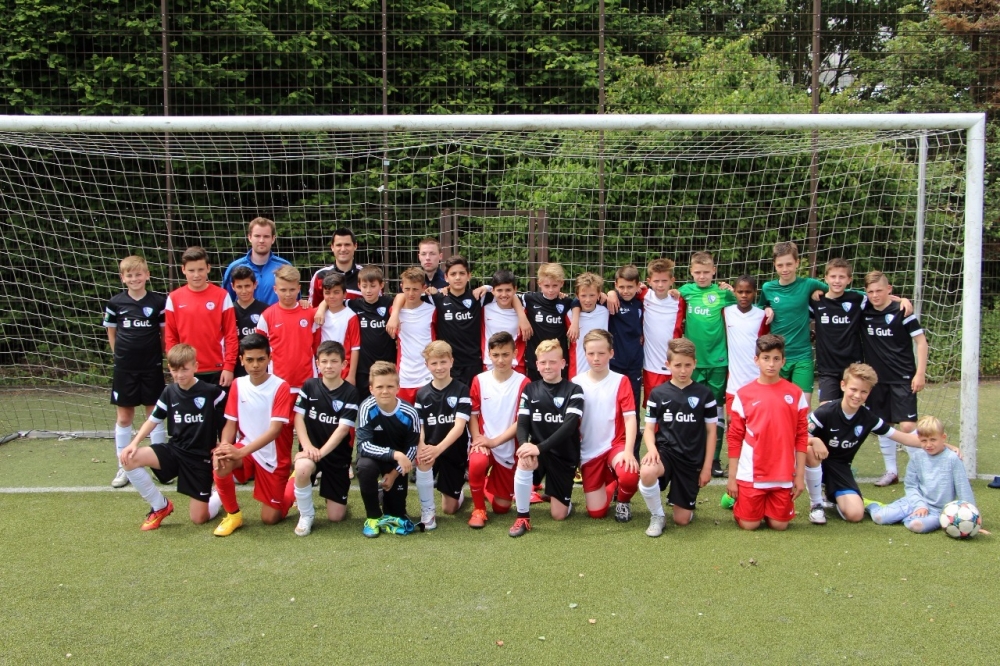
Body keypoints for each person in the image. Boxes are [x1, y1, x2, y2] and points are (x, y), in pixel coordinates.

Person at [118, 344, 226, 530]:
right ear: (169, 368)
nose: (180, 375)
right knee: (129, 459)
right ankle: (160, 506)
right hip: (175, 451)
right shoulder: (169, 392)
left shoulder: (212, 392)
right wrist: (134, 443)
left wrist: (223, 445)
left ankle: (218, 495)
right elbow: (153, 420)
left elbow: (228, 421)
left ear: (195, 366)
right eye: (175, 370)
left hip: (200, 459)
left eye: (184, 369)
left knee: (199, 519)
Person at [804, 363, 922, 525]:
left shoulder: (868, 418)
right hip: (814, 461)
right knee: (810, 450)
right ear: (843, 385)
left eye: (863, 391)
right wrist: (814, 440)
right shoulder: (824, 412)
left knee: (855, 515)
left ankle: (831, 494)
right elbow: (796, 438)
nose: (857, 395)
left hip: (840, 468)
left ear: (869, 393)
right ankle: (816, 505)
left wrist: (942, 446)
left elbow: (903, 437)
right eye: (853, 389)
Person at [211, 334, 295, 536]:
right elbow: (230, 423)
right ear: (241, 360)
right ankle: (233, 515)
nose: (255, 365)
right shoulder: (238, 384)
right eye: (249, 360)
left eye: (260, 359)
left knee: (270, 519)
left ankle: (295, 483)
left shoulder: (280, 386)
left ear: (269, 358)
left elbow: (275, 430)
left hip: (273, 457)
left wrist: (240, 452)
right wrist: (224, 447)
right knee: (221, 462)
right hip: (247, 448)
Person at [726, 334, 809, 532]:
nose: (771, 364)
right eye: (766, 358)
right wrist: (732, 478)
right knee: (749, 525)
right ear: (756, 360)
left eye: (776, 358)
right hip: (751, 473)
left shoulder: (795, 393)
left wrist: (799, 476)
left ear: (783, 361)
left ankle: (762, 506)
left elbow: (801, 435)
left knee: (779, 525)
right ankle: (740, 503)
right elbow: (735, 437)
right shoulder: (744, 394)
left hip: (783, 473)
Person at [638, 338, 718, 536]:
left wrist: (707, 467)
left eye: (688, 365)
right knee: (647, 471)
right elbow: (649, 428)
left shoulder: (705, 395)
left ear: (695, 364)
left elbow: (711, 432)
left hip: (691, 459)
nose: (683, 371)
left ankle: (681, 501)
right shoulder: (657, 394)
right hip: (666, 453)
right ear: (668, 365)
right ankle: (657, 515)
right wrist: (652, 449)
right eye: (678, 365)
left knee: (682, 520)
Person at [509, 339, 585, 537]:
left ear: (563, 363)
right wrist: (524, 445)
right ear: (537, 365)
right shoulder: (530, 389)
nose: (548, 366)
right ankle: (522, 517)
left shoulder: (574, 390)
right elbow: (522, 423)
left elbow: (569, 427)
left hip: (563, 455)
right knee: (524, 459)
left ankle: (563, 500)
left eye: (552, 362)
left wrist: (538, 447)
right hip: (538, 453)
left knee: (558, 515)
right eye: (543, 362)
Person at [103, 255, 166, 489]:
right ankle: (124, 465)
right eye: (129, 275)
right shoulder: (115, 303)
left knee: (154, 415)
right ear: (122, 278)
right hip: (125, 369)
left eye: (139, 274)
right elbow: (112, 333)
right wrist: (119, 356)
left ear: (147, 275)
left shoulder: (158, 302)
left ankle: (160, 464)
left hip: (151, 367)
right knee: (124, 417)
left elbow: (163, 334)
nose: (134, 278)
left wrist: (159, 356)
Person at [862, 270, 928, 487]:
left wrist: (920, 373)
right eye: (870, 291)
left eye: (879, 290)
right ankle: (891, 471)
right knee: (883, 425)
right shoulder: (863, 310)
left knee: (908, 426)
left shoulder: (902, 311)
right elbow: (842, 292)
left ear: (889, 289)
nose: (875, 295)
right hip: (877, 380)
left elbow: (921, 342)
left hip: (903, 377)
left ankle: (921, 471)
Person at [291, 341, 360, 536]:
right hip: (310, 452)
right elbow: (298, 418)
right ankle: (306, 514)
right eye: (324, 361)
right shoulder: (310, 385)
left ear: (344, 364)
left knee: (336, 517)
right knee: (302, 468)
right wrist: (307, 447)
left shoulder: (351, 392)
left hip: (336, 456)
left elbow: (343, 429)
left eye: (334, 361)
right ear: (317, 363)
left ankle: (326, 493)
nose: (329, 366)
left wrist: (320, 453)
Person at [676, 251, 735, 477]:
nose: (702, 276)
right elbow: (664, 295)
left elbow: (744, 303)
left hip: (718, 361)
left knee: (716, 409)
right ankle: (693, 455)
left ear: (714, 271)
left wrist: (731, 290)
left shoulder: (722, 293)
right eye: (698, 272)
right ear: (691, 272)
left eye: (706, 272)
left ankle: (715, 458)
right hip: (693, 363)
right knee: (693, 409)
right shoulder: (685, 291)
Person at [571, 330, 639, 521]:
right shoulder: (576, 383)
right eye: (591, 353)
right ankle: (612, 484)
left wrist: (629, 451)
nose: (596, 358)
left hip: (614, 445)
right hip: (589, 451)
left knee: (629, 474)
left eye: (601, 353)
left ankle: (623, 501)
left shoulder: (621, 381)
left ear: (611, 353)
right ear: (585, 354)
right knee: (596, 513)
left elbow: (630, 419)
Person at [867, 416, 975, 533]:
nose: (928, 444)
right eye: (924, 440)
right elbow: (911, 486)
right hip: (913, 503)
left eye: (933, 440)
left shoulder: (953, 458)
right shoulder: (917, 457)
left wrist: (971, 518)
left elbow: (963, 488)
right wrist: (920, 506)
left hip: (937, 511)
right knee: (878, 518)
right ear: (918, 439)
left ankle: (908, 518)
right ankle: (872, 505)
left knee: (916, 526)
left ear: (943, 437)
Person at [468, 332, 531, 528]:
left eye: (505, 354)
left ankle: (487, 486)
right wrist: (478, 439)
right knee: (477, 462)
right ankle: (478, 509)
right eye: (495, 355)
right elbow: (473, 414)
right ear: (489, 354)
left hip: (507, 448)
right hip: (484, 443)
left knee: (501, 508)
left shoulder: (523, 382)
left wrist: (494, 442)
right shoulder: (479, 380)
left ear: (515, 353)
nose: (500, 360)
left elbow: (521, 421)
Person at [355, 361, 422, 538]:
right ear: (371, 389)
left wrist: (394, 474)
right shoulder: (366, 408)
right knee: (365, 467)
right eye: (379, 387)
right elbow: (364, 446)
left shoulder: (410, 412)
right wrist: (395, 454)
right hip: (373, 458)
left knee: (396, 514)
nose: (385, 391)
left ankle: (384, 495)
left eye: (390, 386)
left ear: (398, 387)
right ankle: (372, 517)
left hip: (396, 465)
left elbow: (412, 448)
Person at [758, 241, 827, 405]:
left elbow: (837, 291)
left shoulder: (808, 284)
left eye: (789, 264)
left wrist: (820, 291)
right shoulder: (768, 288)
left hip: (802, 356)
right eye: (780, 265)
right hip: (777, 357)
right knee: (777, 407)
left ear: (797, 262)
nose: (785, 269)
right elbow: (758, 308)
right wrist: (766, 307)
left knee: (802, 407)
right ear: (774, 265)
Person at [414, 341, 472, 530]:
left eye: (443, 362)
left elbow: (459, 426)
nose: (439, 367)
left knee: (449, 509)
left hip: (452, 450)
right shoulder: (422, 393)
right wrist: (422, 446)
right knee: (423, 459)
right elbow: (419, 426)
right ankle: (428, 511)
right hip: (431, 448)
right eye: (434, 363)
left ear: (451, 361)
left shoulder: (461, 390)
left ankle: (456, 492)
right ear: (427, 365)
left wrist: (438, 449)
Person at [164, 246, 239, 389]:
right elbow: (171, 337)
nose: (196, 275)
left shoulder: (222, 295)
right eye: (191, 270)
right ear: (183, 270)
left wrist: (229, 366)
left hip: (217, 368)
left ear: (208, 268)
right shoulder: (174, 298)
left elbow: (230, 334)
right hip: (186, 369)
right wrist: (176, 367)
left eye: (201, 269)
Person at [255, 265, 319, 392]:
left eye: (292, 289)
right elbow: (260, 350)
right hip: (278, 383)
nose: (288, 294)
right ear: (275, 289)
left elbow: (317, 346)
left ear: (299, 288)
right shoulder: (267, 316)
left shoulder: (310, 313)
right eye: (283, 290)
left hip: (308, 381)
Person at [811, 258, 867, 404]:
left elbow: (879, 298)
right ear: (826, 278)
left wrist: (902, 301)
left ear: (849, 280)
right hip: (827, 368)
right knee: (826, 409)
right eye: (833, 276)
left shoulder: (858, 299)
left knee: (852, 407)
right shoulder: (817, 302)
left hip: (853, 367)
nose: (837, 281)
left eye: (842, 277)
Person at [520, 263, 574, 382]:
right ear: (539, 283)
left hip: (558, 362)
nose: (550, 290)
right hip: (536, 361)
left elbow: (583, 302)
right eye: (546, 286)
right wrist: (523, 319)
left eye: (555, 285)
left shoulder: (566, 302)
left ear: (561, 283)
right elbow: (512, 297)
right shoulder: (530, 299)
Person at [347, 266, 396, 398]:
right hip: (363, 369)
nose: (368, 290)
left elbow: (402, 297)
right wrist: (321, 309)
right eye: (364, 286)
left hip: (387, 365)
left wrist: (395, 314)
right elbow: (331, 301)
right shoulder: (353, 305)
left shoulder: (389, 303)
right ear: (359, 286)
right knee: (364, 403)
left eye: (373, 286)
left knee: (386, 400)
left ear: (381, 285)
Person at [723, 275, 769, 416]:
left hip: (757, 380)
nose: (744, 295)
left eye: (748, 292)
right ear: (734, 292)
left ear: (755, 292)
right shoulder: (726, 312)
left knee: (756, 422)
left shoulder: (762, 315)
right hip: (734, 384)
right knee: (733, 424)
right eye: (740, 292)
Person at [638, 258, 683, 401]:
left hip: (674, 363)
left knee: (675, 405)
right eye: (656, 281)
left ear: (672, 281)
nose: (660, 285)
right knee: (653, 405)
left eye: (664, 281)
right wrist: (611, 294)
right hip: (651, 365)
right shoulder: (643, 295)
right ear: (649, 281)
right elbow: (623, 290)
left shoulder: (680, 300)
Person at [221, 216, 291, 306]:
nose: (261, 240)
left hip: (276, 315)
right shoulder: (234, 267)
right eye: (257, 236)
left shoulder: (285, 267)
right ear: (249, 237)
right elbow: (226, 302)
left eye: (266, 236)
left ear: (273, 239)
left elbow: (295, 300)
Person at [391, 267, 435, 405]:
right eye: (407, 289)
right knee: (405, 415)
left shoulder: (432, 310)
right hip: (405, 375)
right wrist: (394, 314)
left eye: (415, 289)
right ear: (401, 287)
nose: (411, 293)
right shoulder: (394, 311)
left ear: (423, 288)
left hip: (428, 374)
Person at [316, 273, 361, 385]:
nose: (331, 296)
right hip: (322, 371)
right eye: (327, 293)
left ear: (344, 294)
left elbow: (355, 348)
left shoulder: (351, 316)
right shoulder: (317, 315)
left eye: (336, 292)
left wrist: (351, 375)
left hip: (343, 372)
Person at [565, 272, 609, 378]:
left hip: (602, 370)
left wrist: (611, 294)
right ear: (577, 296)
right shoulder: (569, 315)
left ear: (599, 294)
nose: (588, 300)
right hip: (578, 370)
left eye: (592, 295)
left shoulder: (606, 311)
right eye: (583, 296)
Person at [481, 269, 526, 372]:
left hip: (515, 364)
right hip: (490, 364)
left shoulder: (524, 311)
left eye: (508, 290)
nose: (504, 294)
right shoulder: (484, 309)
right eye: (499, 290)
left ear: (515, 289)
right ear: (493, 291)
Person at [230, 265, 268, 379]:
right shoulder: (229, 310)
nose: (244, 291)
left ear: (255, 284)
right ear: (232, 286)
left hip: (260, 366)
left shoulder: (266, 310)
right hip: (236, 366)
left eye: (247, 286)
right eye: (239, 287)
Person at [308, 227, 364, 305]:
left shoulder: (365, 275)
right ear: (332, 247)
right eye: (339, 245)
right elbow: (313, 308)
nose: (343, 249)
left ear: (355, 246)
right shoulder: (320, 276)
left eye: (347, 245)